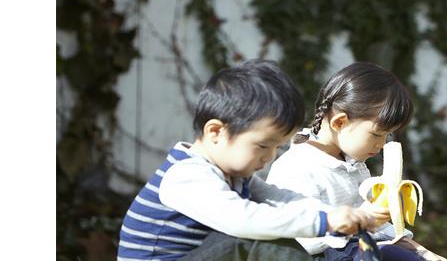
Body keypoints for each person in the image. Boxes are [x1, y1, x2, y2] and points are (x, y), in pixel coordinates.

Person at [116, 59, 375, 261]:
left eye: (276, 147)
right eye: (263, 145)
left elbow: (281, 198)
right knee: (254, 242)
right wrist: (322, 223)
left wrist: (337, 213)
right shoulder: (186, 176)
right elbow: (243, 219)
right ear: (216, 131)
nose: (269, 157)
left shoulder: (235, 176)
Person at [267, 62, 447, 261]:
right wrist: (356, 220)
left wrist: (419, 251)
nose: (381, 144)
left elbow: (376, 228)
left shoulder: (355, 165)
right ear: (340, 122)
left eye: (387, 135)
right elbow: (298, 241)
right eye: (376, 134)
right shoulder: (297, 168)